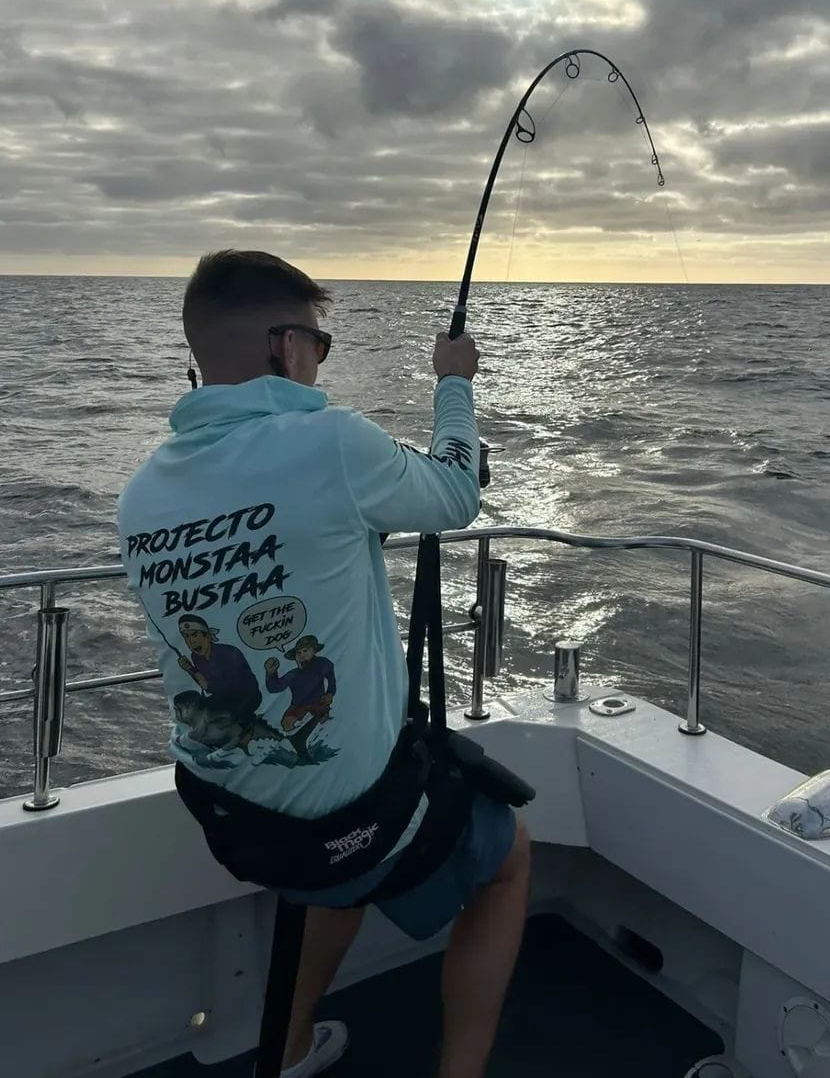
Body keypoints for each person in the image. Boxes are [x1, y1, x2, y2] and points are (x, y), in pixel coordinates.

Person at [117, 250, 530, 1078]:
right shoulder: (331, 442)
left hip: (231, 812)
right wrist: (454, 382)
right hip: (341, 821)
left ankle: (290, 1047)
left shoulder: (143, 492)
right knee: (512, 853)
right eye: (319, 342)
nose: (319, 360)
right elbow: (455, 493)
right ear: (286, 345)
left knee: (332, 878)